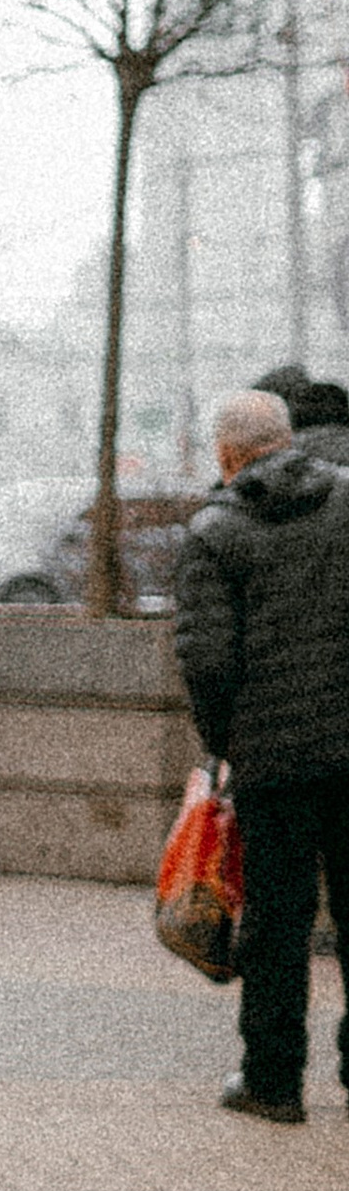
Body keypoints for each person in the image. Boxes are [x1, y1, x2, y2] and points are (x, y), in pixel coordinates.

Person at [173, 386, 349, 1124]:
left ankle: (273, 1081)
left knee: (277, 923)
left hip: (274, 760)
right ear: (291, 438)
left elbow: (207, 660)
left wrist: (222, 745)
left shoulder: (217, 530)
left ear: (225, 453)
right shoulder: (346, 503)